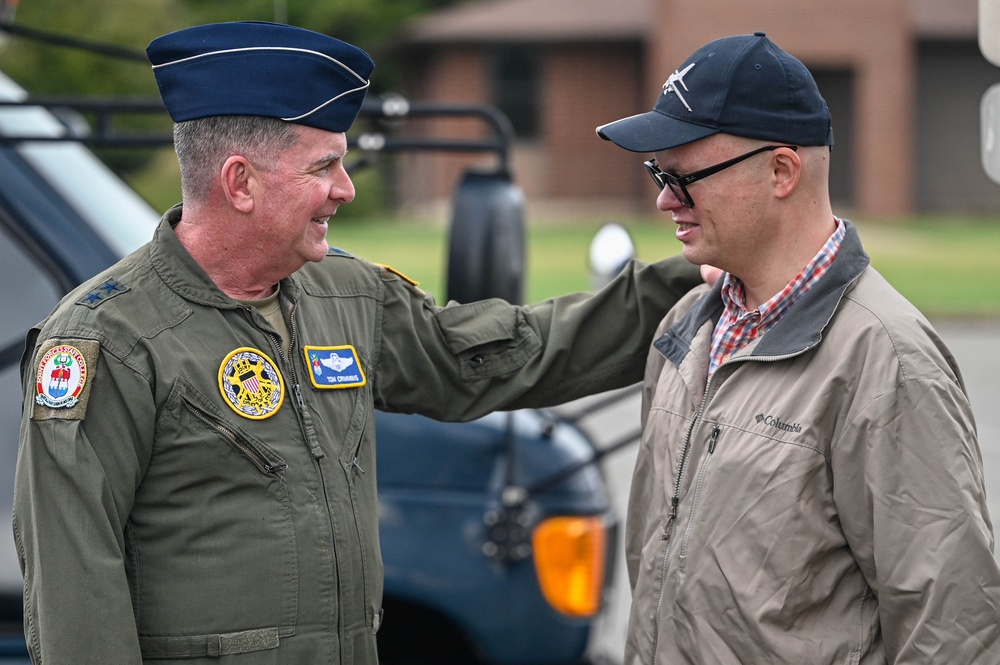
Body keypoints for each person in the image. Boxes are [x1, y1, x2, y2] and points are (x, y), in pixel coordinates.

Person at [11, 21, 706, 664]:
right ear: (240, 182)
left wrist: (697, 280)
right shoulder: (106, 339)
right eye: (323, 167)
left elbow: (504, 353)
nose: (344, 190)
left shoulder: (345, 294)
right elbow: (77, 594)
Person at [596, 32, 1000, 664]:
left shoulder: (885, 357)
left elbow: (949, 626)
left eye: (683, 176)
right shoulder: (685, 329)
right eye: (657, 173)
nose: (663, 199)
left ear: (782, 171)